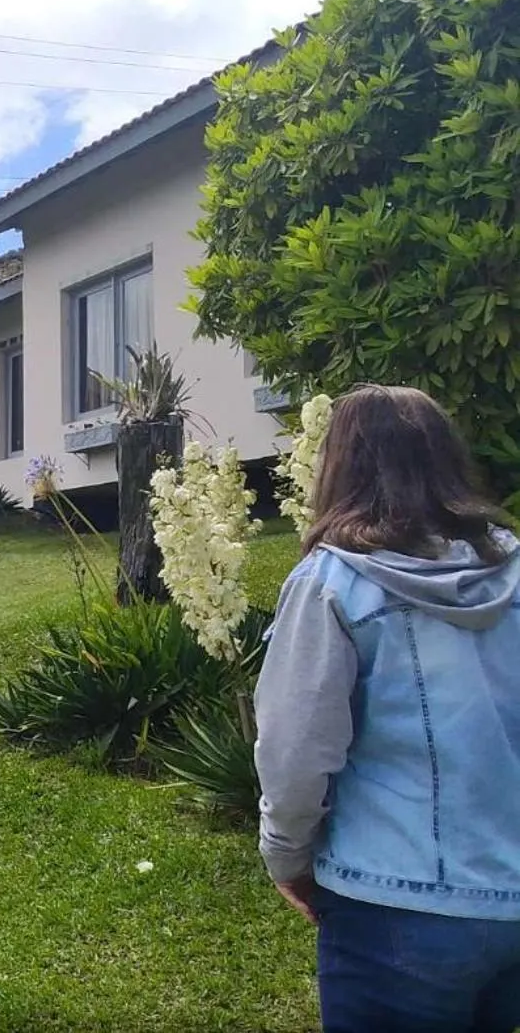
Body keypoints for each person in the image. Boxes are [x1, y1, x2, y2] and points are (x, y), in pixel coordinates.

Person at [256, 384, 520, 1032]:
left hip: (392, 904)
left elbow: (295, 753)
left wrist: (286, 856)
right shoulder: (514, 573)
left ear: (340, 465)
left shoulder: (332, 582)